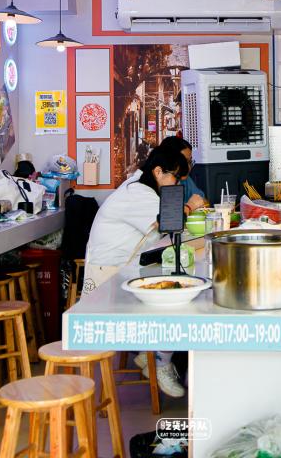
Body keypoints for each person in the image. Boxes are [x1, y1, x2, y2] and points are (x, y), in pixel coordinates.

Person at [83, 145, 188, 397]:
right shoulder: (139, 194)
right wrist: (190, 207)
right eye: (176, 178)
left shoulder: (140, 188)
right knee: (172, 299)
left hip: (124, 268)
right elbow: (167, 223)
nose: (177, 184)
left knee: (171, 287)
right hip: (109, 276)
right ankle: (159, 360)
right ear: (158, 171)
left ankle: (151, 352)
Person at [158, 136, 209, 215]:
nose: (188, 167)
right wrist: (189, 207)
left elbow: (204, 202)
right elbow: (169, 218)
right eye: (184, 162)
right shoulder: (149, 188)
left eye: (190, 162)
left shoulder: (185, 180)